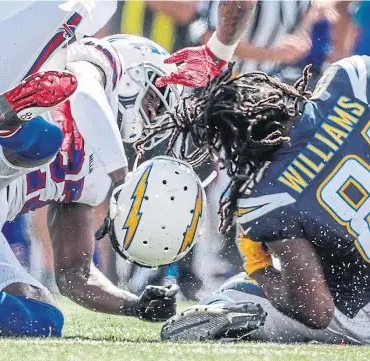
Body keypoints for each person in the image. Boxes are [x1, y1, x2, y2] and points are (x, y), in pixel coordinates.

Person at [136, 55, 370, 344]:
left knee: (237, 292)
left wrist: (258, 267)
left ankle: (225, 308)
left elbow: (316, 311)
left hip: (362, 315)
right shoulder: (351, 79)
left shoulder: (267, 199)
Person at [0, 35, 186, 337]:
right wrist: (123, 176)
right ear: (132, 74)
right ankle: (8, 120)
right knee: (45, 140)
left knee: (41, 319)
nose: (154, 113)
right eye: (154, 98)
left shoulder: (99, 172)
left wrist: (134, 305)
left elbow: (74, 275)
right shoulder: (89, 70)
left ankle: (12, 124)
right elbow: (85, 95)